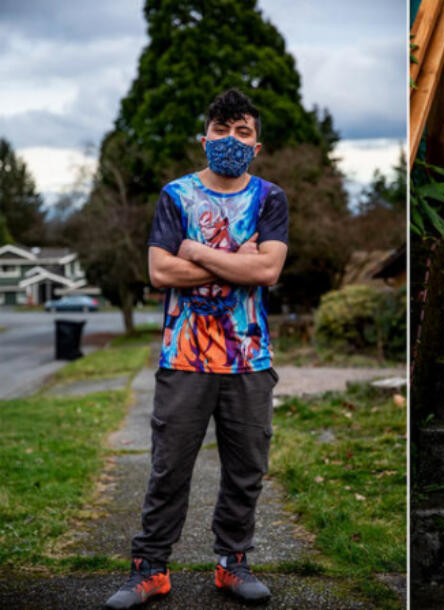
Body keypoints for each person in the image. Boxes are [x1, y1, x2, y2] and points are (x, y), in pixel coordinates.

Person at [105, 89, 289, 609]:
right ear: (204, 137)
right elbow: (160, 272)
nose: (231, 140)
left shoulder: (269, 198)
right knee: (169, 467)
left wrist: (194, 249)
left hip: (249, 358)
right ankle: (151, 569)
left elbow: (269, 270)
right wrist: (237, 258)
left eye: (243, 132)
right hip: (183, 357)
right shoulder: (176, 195)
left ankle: (233, 563)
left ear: (257, 145)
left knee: (246, 468)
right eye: (222, 130)